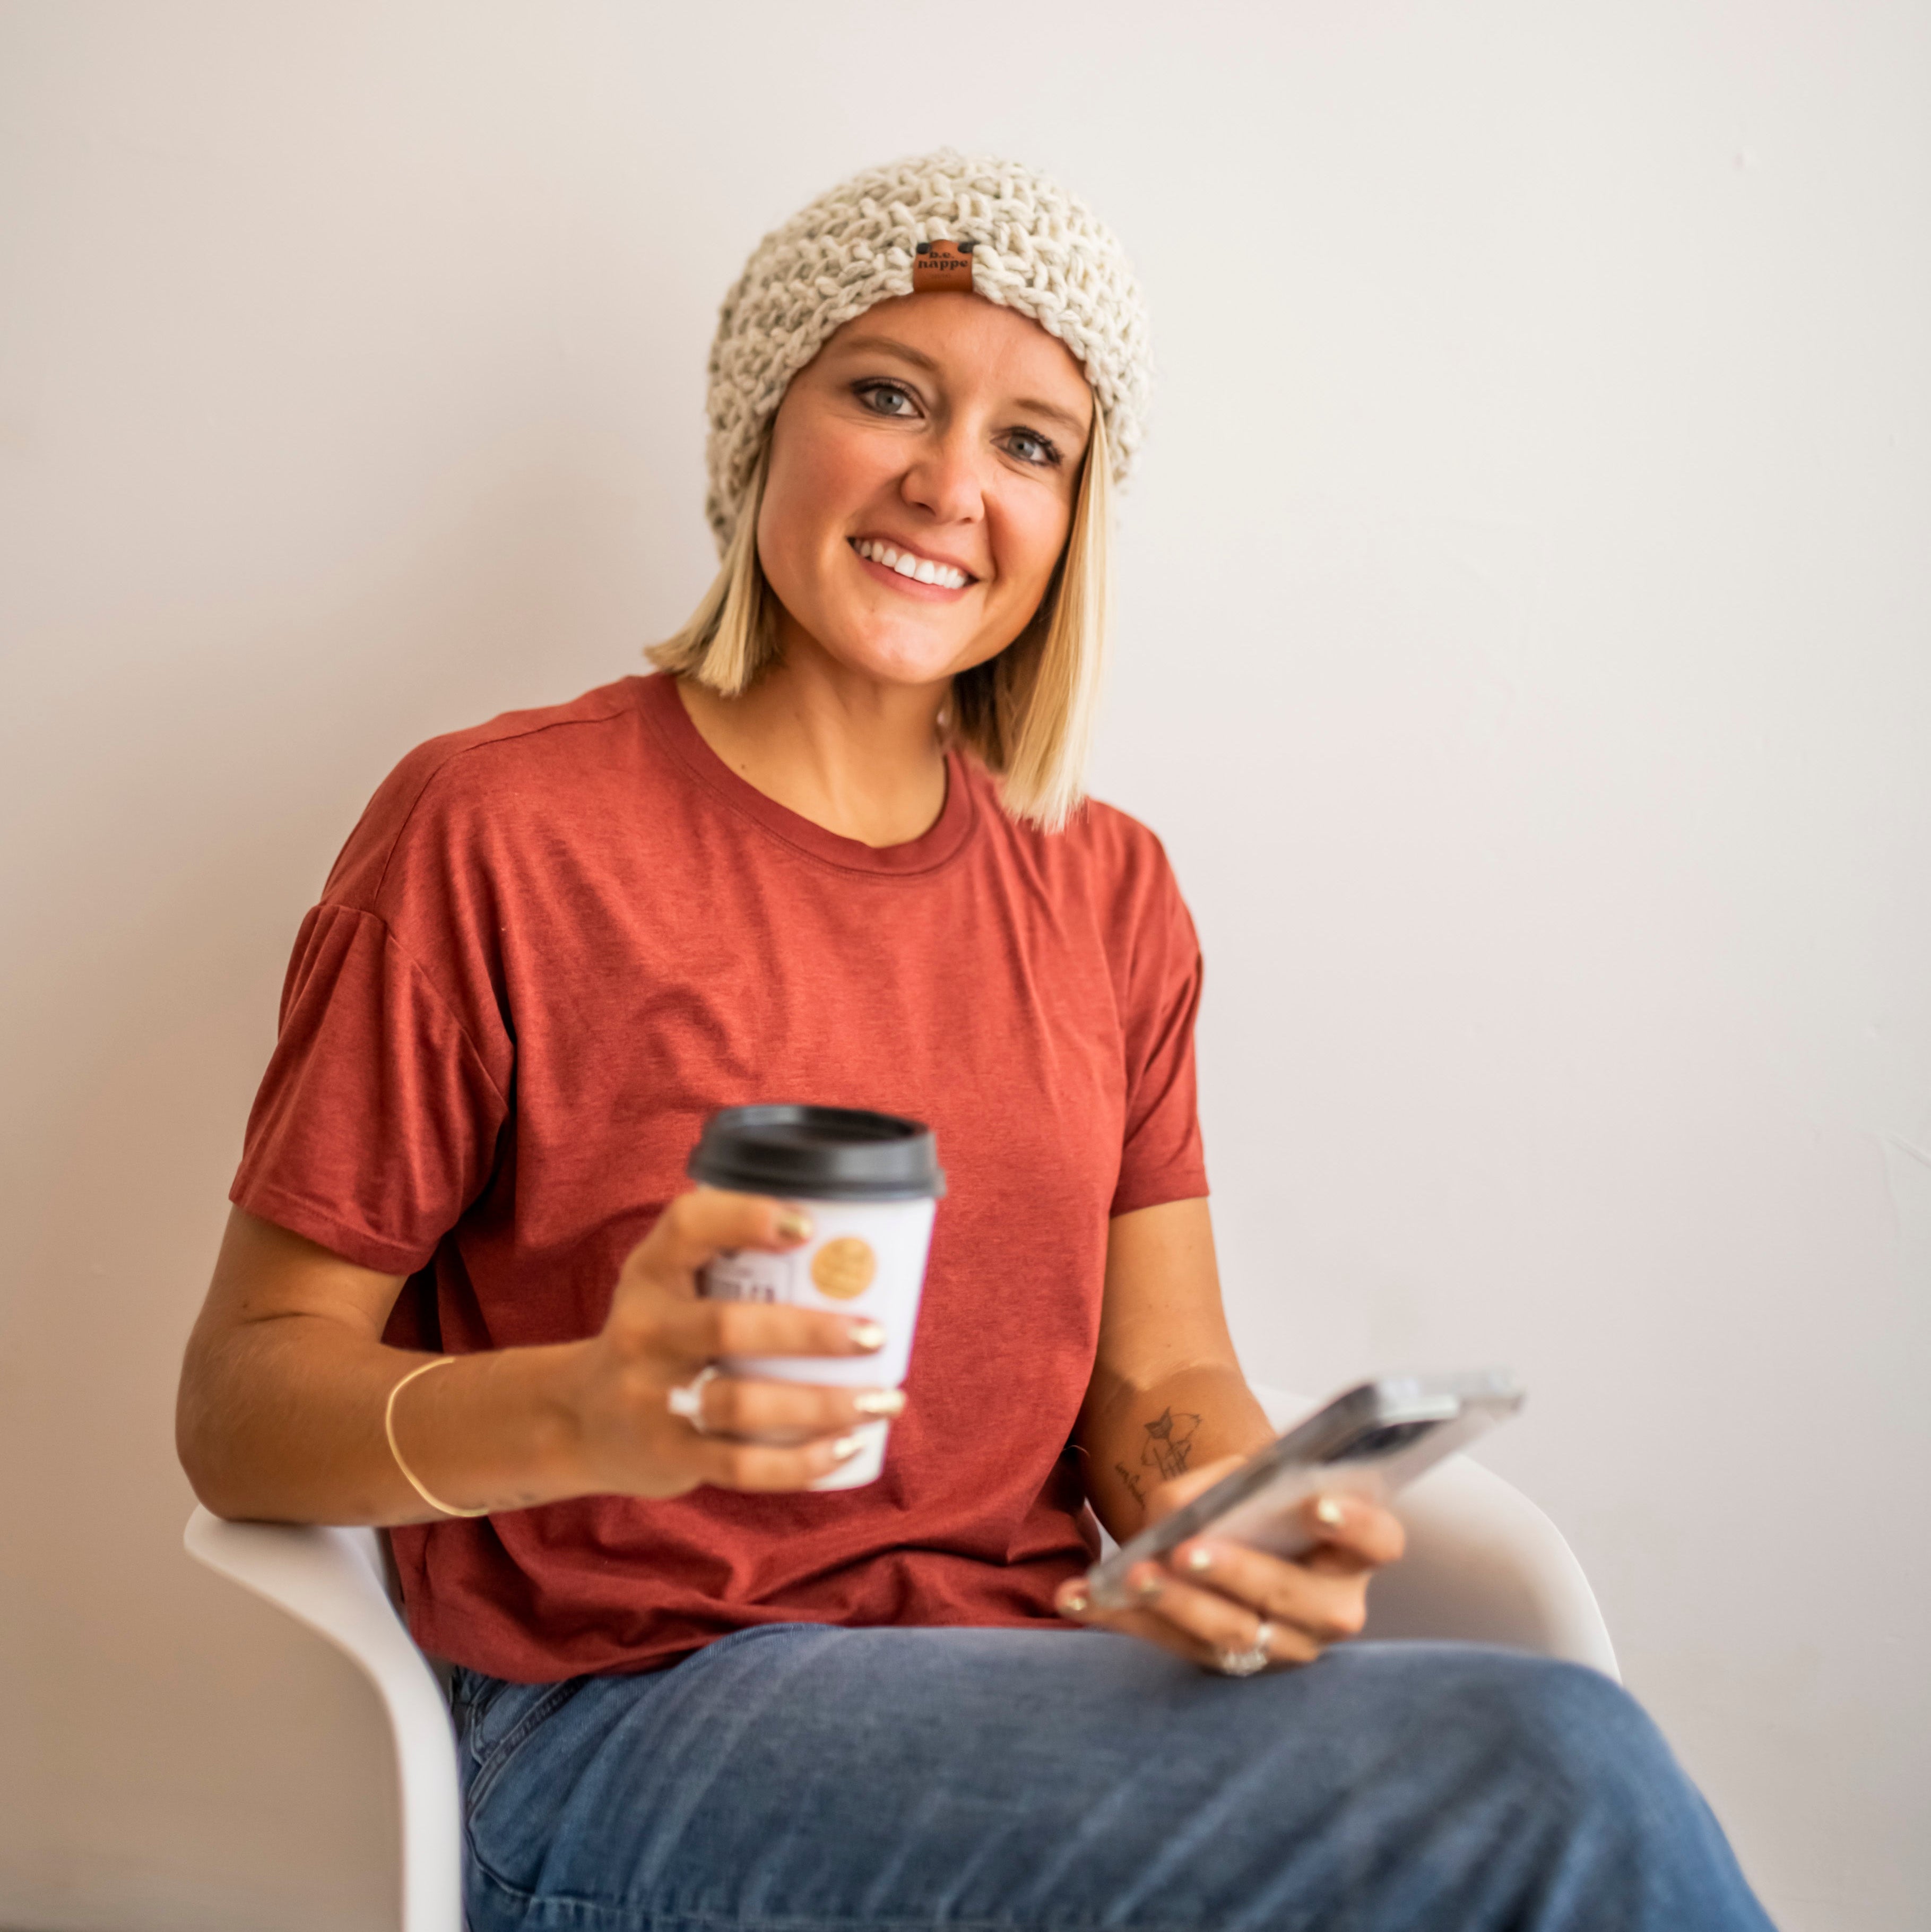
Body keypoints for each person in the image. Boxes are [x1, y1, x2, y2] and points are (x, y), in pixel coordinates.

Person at [176, 152, 1775, 1930]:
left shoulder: (1109, 890)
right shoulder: (500, 830)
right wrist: (584, 1406)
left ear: (1074, 518)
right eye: (889, 395)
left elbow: (1160, 1388)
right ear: (762, 430)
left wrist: (1228, 1523)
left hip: (1022, 1692)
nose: (951, 485)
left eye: (1031, 444)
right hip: (640, 1728)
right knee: (1545, 1774)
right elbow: (244, 1402)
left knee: (1517, 1782)